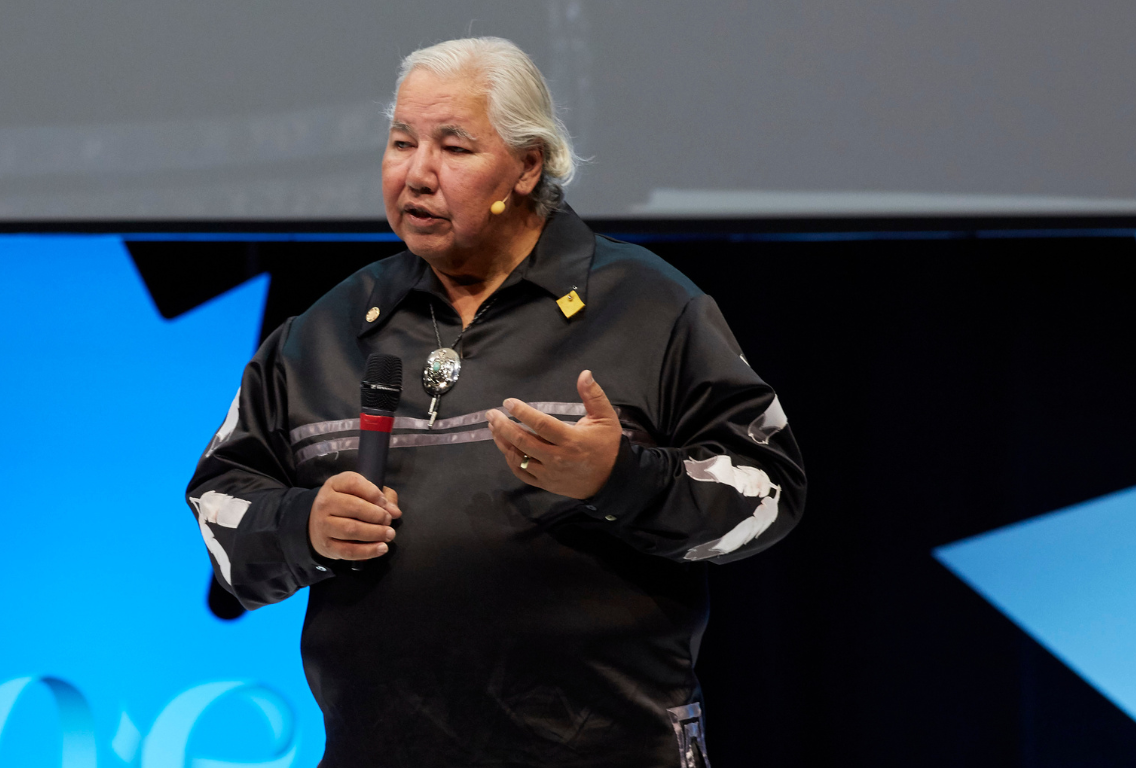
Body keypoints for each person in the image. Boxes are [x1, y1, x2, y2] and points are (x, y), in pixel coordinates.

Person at [186, 37, 806, 768]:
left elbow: (769, 492)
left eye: (453, 147)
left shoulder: (648, 309)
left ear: (527, 164)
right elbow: (222, 508)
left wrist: (624, 478)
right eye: (400, 142)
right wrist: (303, 526)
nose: (417, 173)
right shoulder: (323, 332)